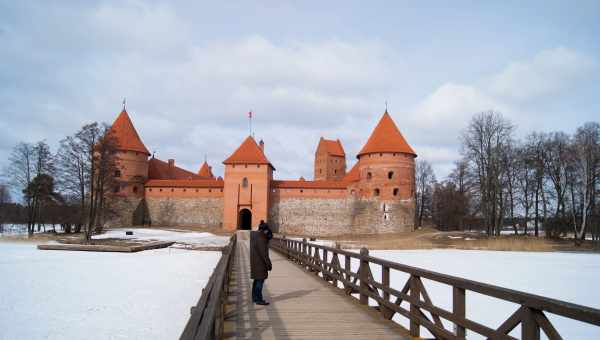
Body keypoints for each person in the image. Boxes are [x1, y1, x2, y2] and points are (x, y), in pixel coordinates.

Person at [250, 219, 272, 305]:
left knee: (256, 281)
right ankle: (259, 299)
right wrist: (269, 264)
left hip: (255, 263)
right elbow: (264, 254)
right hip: (260, 264)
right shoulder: (261, 239)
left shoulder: (255, 236)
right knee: (259, 282)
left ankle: (255, 298)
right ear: (265, 230)